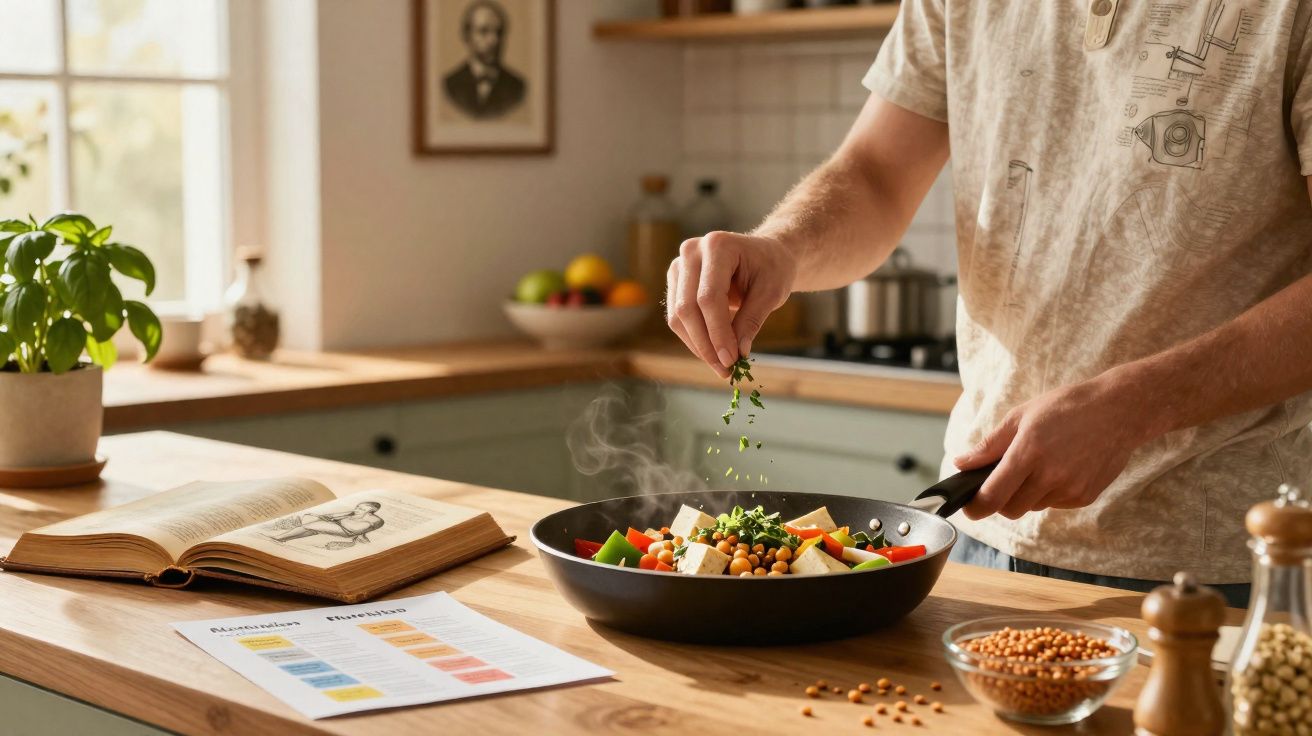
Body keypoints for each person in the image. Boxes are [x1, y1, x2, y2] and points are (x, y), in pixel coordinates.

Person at [664, 0, 1312, 607]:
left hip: (1225, 571)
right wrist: (783, 246)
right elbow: (875, 175)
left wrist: (1138, 405)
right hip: (978, 539)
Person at [443, 0, 525, 120]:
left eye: (498, 32)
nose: (494, 40)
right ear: (467, 36)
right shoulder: (449, 84)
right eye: (484, 31)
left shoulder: (518, 87)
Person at [270, 502, 385, 546]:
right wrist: (328, 517)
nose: (357, 509)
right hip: (341, 526)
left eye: (361, 508)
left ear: (370, 511)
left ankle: (279, 538)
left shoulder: (376, 520)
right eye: (358, 507)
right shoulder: (354, 513)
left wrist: (339, 520)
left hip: (347, 531)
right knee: (312, 525)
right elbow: (334, 516)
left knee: (310, 526)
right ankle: (282, 538)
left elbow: (355, 529)